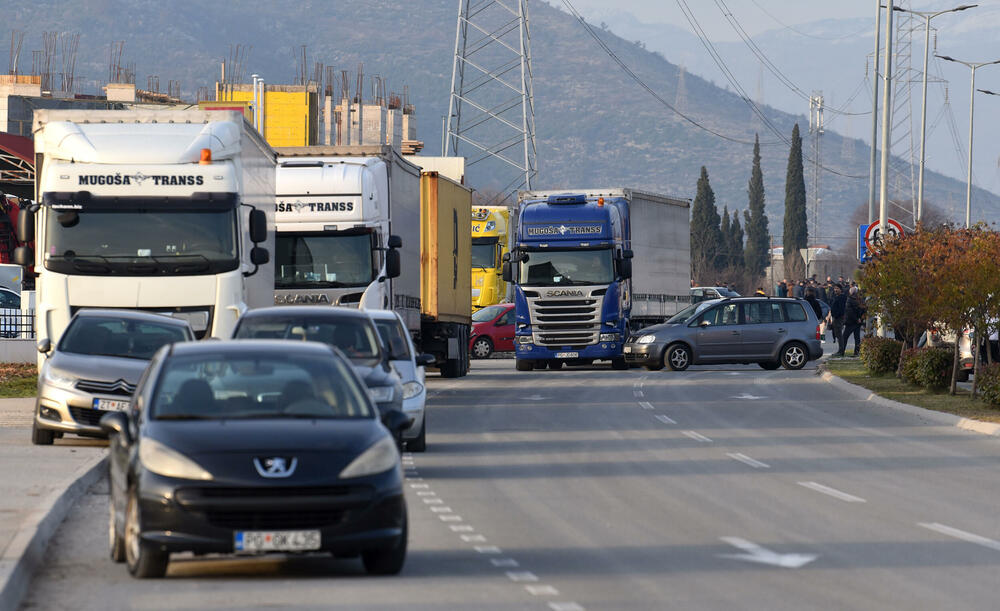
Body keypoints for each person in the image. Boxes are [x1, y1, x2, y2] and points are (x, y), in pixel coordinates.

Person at [836, 286, 866, 357]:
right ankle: (857, 352)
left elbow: (849, 311)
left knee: (845, 337)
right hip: (857, 322)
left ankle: (842, 351)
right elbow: (864, 310)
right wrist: (860, 319)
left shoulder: (849, 300)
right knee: (857, 337)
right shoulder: (860, 300)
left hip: (851, 322)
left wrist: (856, 319)